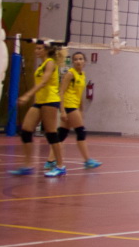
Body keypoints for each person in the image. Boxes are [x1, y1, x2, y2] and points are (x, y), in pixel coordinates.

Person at [11, 41, 66, 177]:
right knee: (26, 131)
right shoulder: (41, 65)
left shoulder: (50, 63)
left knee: (51, 133)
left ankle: (60, 166)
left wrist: (28, 95)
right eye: (36, 48)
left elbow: (44, 82)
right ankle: (28, 164)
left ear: (46, 50)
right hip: (40, 101)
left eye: (39, 48)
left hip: (50, 100)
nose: (36, 51)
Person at [56, 51, 101, 169]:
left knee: (62, 134)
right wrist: (62, 110)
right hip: (69, 105)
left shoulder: (82, 75)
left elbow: (79, 94)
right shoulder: (70, 74)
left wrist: (81, 109)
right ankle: (87, 160)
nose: (78, 61)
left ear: (85, 62)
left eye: (80, 59)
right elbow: (61, 92)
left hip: (74, 106)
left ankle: (50, 160)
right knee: (81, 131)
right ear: (72, 62)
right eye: (75, 59)